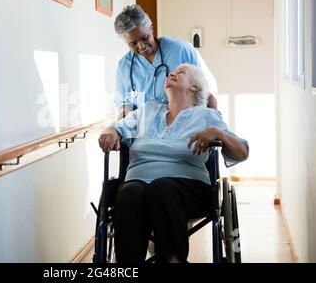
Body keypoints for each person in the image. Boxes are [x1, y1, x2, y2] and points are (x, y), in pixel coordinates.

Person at [98, 63, 249, 263]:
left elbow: (241, 152)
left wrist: (218, 134)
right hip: (138, 183)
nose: (171, 74)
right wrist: (110, 132)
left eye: (180, 73)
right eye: (172, 72)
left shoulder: (206, 115)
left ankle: (172, 260)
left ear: (194, 87)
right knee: (129, 191)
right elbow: (118, 128)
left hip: (189, 189)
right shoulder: (147, 111)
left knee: (162, 187)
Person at [113, 5, 218, 118]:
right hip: (147, 132)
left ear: (151, 29)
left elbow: (209, 93)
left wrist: (210, 123)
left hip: (184, 125)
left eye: (145, 38)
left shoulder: (181, 50)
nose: (141, 46)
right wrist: (124, 113)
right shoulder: (125, 66)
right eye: (133, 44)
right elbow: (123, 103)